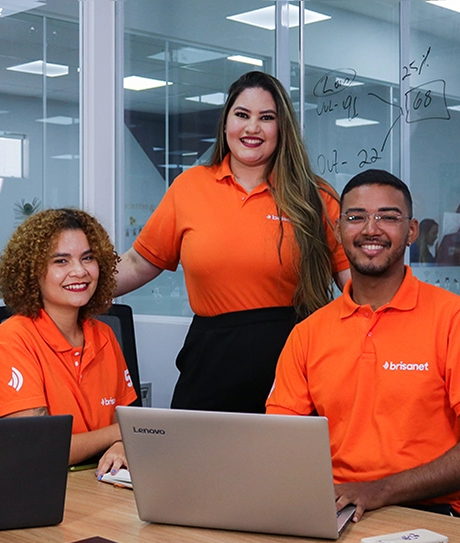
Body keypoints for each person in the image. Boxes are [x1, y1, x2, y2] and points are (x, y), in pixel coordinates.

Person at [115, 71, 350, 413]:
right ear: (226, 123)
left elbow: (354, 287)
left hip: (291, 363)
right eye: (242, 115)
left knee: (281, 466)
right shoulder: (191, 186)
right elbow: (138, 263)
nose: (252, 128)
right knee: (193, 464)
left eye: (266, 118)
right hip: (210, 362)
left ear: (282, 129)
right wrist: (74, 286)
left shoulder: (317, 196)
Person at [267, 169, 460, 521]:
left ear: (411, 231)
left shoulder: (452, 320)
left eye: (388, 217)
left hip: (430, 514)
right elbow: (281, 441)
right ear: (338, 230)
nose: (371, 229)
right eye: (356, 217)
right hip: (336, 509)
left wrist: (377, 490)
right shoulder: (308, 334)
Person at [0, 208, 137, 478]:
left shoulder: (105, 335)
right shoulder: (12, 339)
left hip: (104, 487)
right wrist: (118, 433)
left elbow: (126, 425)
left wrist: (121, 444)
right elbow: (40, 447)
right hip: (38, 490)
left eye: (87, 258)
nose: (79, 271)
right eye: (61, 261)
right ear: (32, 272)